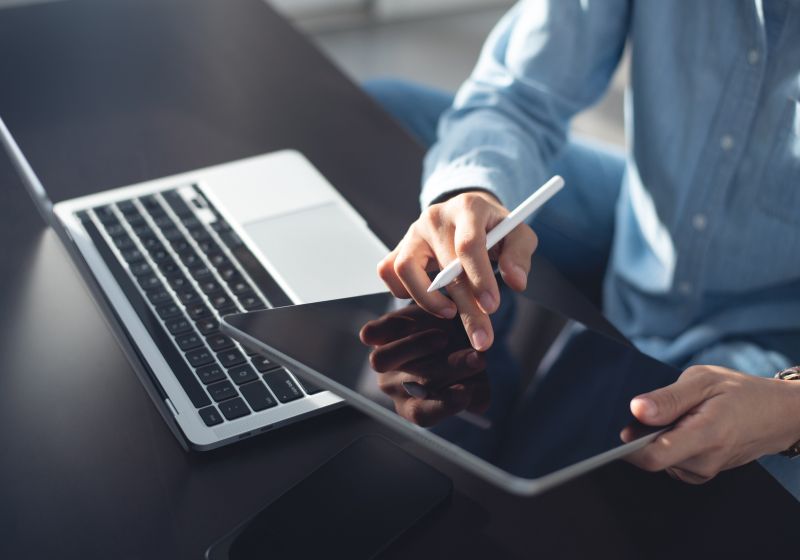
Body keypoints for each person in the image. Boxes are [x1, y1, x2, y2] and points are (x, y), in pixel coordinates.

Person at [365, 0, 800, 495]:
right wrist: (474, 193)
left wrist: (790, 409)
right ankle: (473, 385)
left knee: (578, 494)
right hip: (650, 218)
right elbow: (517, 96)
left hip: (779, 342)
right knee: (387, 112)